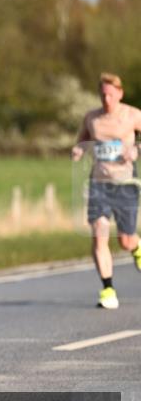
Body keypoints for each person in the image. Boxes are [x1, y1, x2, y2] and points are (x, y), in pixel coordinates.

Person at [72, 72, 141, 309]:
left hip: (126, 184)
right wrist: (79, 151)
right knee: (99, 232)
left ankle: (137, 247)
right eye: (102, 95)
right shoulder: (92, 118)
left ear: (120, 93)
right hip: (99, 184)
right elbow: (82, 139)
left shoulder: (133, 115)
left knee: (125, 240)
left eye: (110, 95)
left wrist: (136, 151)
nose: (106, 100)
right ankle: (108, 289)